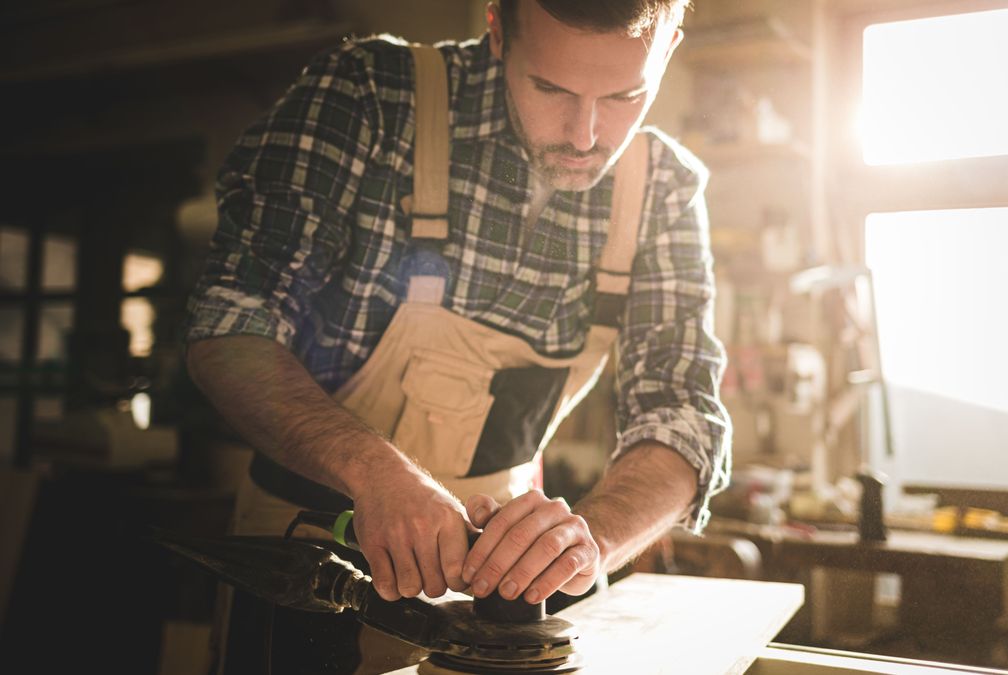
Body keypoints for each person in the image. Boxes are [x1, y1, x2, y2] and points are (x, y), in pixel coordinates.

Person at [185, 0, 730, 671]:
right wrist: (373, 472)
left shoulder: (663, 189)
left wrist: (589, 540)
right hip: (310, 572)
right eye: (550, 88)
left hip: (501, 602)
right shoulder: (369, 96)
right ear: (498, 30)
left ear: (670, 45)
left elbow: (683, 417)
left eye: (625, 95)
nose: (586, 134)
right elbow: (230, 323)